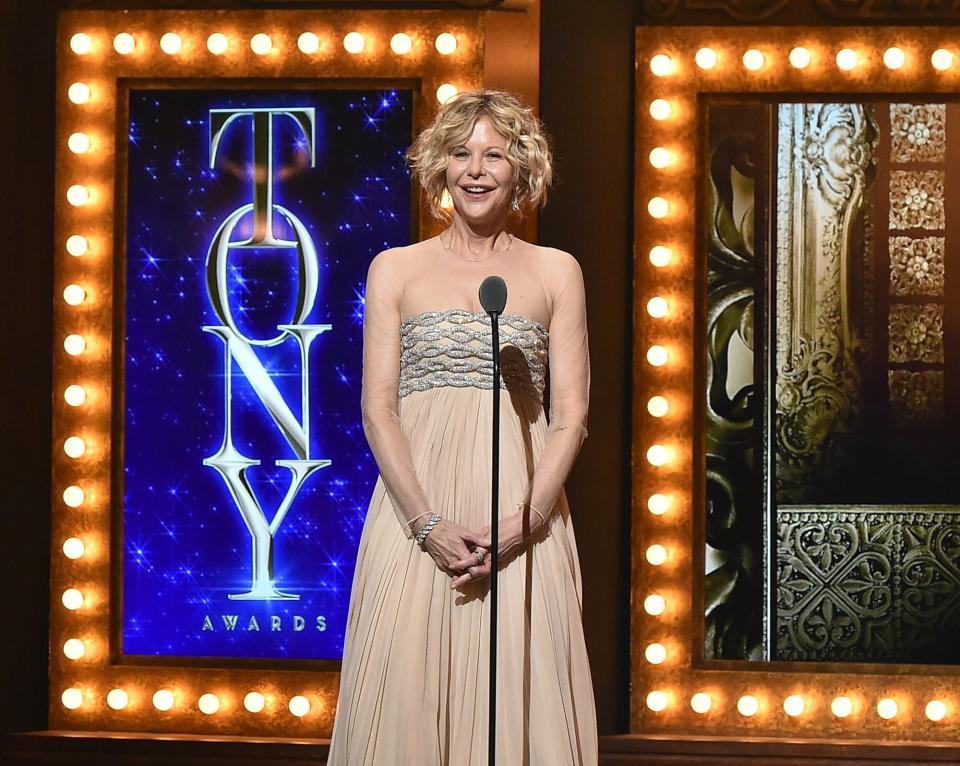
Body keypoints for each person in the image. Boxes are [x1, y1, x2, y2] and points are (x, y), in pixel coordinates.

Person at [327, 89, 597, 765]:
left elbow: (572, 418)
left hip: (523, 520)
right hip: (415, 516)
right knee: (411, 695)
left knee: (516, 699)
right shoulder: (396, 268)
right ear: (439, 168)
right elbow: (377, 408)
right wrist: (427, 525)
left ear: (522, 170)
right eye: (460, 153)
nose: (475, 169)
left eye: (494, 155)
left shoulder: (555, 271)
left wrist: (523, 522)